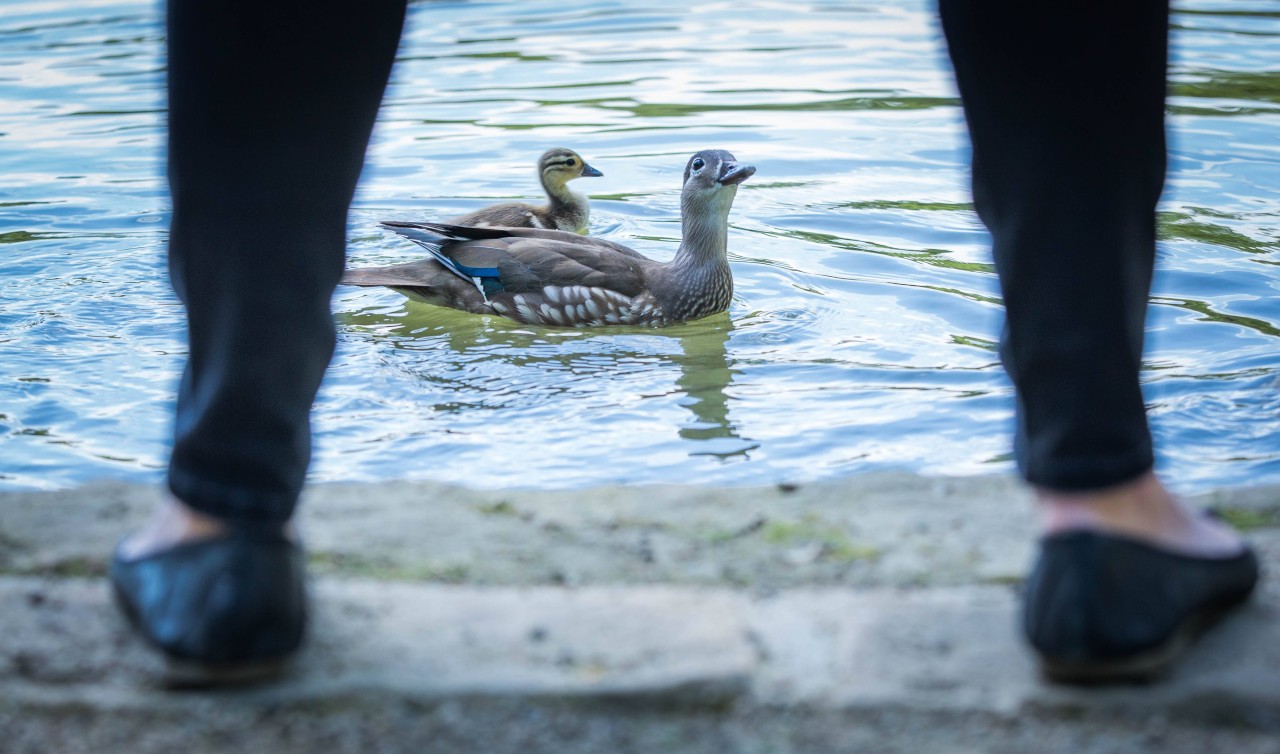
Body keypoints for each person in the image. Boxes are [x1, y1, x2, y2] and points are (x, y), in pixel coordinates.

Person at [110, 0, 1258, 686]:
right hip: (501, 289)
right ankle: (1099, 504)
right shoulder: (656, 283)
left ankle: (223, 519)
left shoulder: (671, 277)